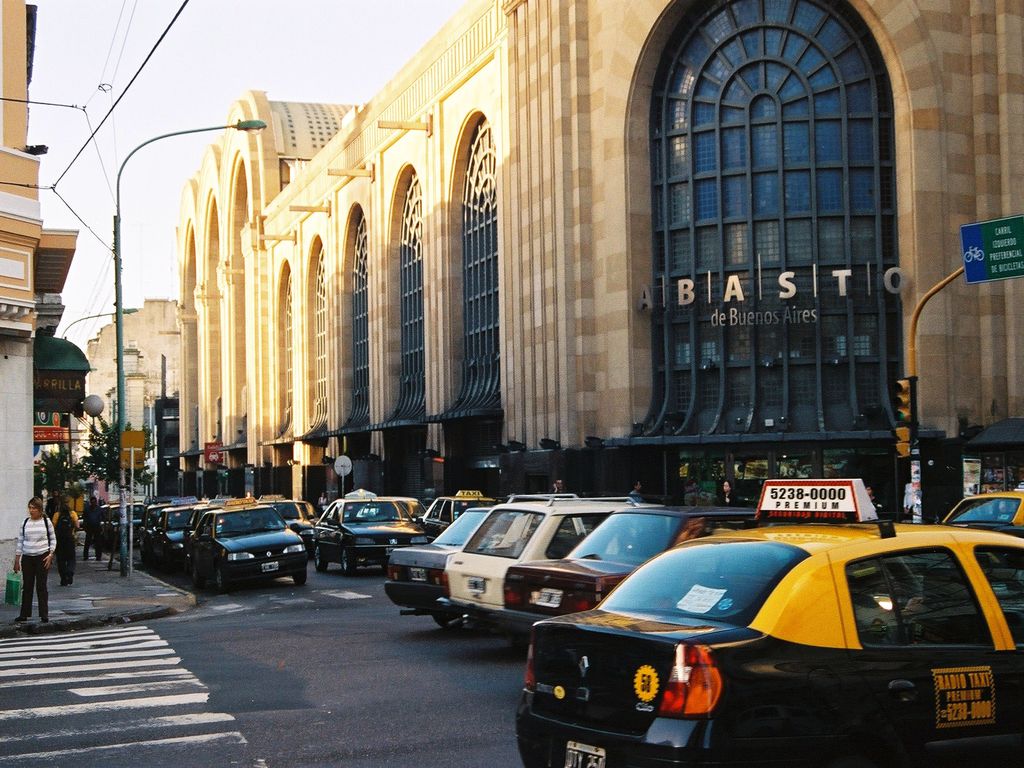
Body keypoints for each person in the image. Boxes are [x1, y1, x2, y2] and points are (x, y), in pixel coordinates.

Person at [13, 497, 55, 623]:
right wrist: (17, 559)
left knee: (41, 586)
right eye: (30, 508)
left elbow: (53, 539)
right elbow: (20, 541)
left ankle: (44, 614)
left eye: (34, 508)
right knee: (27, 586)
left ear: (40, 509)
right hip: (27, 557)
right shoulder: (25, 523)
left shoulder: (46, 522)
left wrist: (51, 554)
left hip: (42, 556)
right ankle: (24, 614)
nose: (31, 511)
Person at [51, 499, 79, 586]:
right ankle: (70, 572)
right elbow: (78, 525)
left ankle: (63, 579)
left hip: (60, 540)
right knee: (71, 558)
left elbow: (52, 528)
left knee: (60, 560)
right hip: (70, 539)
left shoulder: (56, 515)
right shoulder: (73, 514)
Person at [83, 495, 103, 560]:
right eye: (92, 502)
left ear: (96, 502)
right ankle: (85, 556)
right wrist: (85, 527)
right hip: (89, 527)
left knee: (98, 542)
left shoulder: (99, 509)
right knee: (87, 542)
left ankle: (98, 556)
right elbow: (85, 518)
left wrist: (103, 526)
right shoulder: (87, 509)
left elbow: (102, 517)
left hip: (97, 527)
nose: (93, 504)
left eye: (94, 502)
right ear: (90, 502)